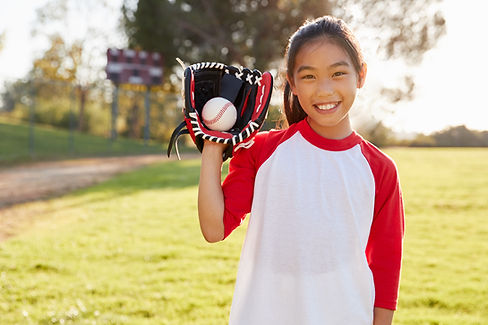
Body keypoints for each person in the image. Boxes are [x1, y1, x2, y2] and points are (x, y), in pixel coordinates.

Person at [198, 15, 404, 325]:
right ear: (291, 82)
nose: (324, 90)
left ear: (360, 75)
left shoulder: (380, 170)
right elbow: (214, 229)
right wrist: (214, 146)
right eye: (308, 77)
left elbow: (386, 271)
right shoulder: (262, 151)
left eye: (338, 73)